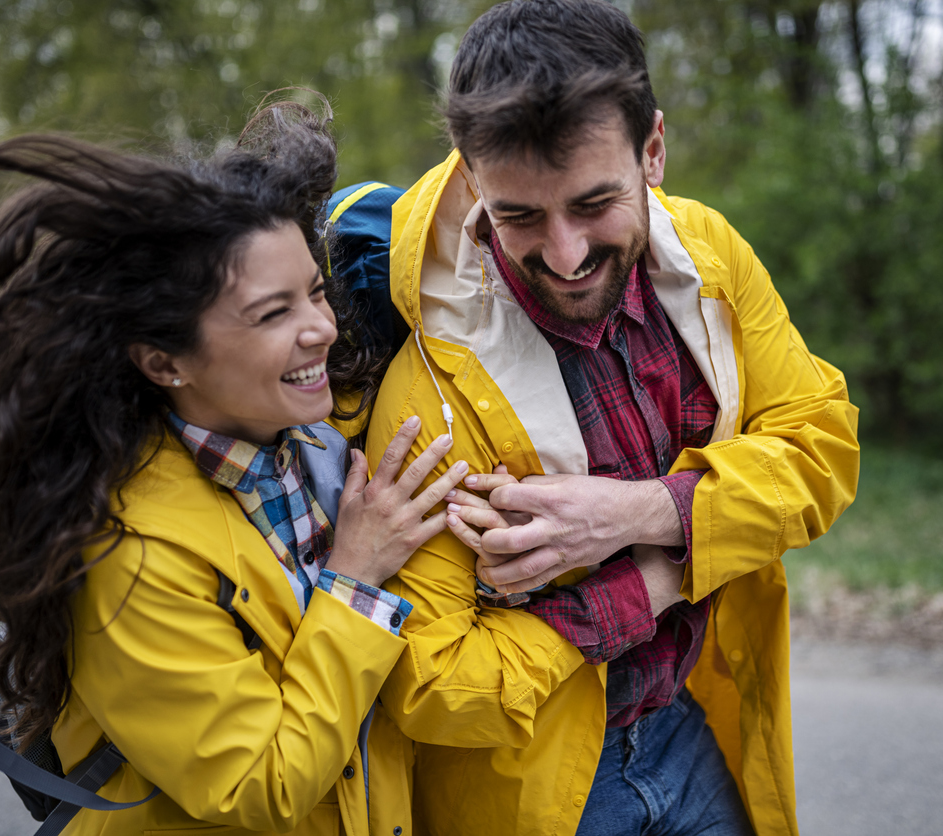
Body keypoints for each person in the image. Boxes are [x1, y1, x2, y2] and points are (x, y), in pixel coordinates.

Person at [364, 2, 861, 834]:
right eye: (518, 214)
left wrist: (638, 513)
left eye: (594, 203)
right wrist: (660, 578)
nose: (563, 255)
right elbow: (432, 683)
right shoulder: (433, 385)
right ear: (473, 179)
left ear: (653, 151)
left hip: (688, 728)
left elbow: (822, 450)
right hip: (537, 796)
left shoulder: (710, 256)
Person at [0, 104, 469, 836]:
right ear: (165, 361)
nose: (322, 328)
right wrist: (354, 582)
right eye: (273, 313)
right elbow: (260, 784)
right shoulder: (128, 555)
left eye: (317, 291)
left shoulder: (310, 445)